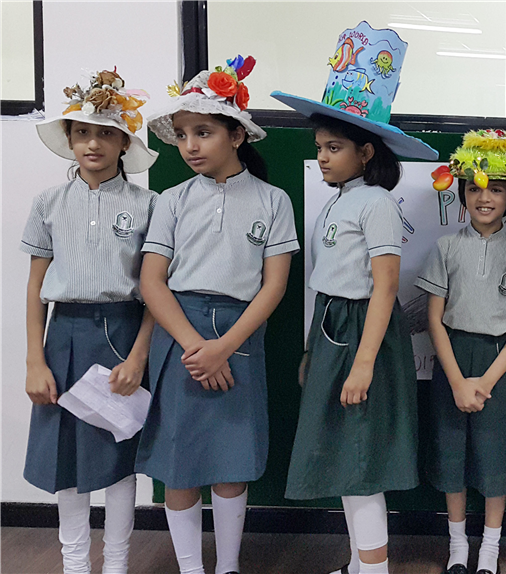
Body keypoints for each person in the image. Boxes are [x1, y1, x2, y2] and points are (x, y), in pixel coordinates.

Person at [271, 22, 438, 574]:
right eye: (320, 147)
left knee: (361, 456)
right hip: (333, 329)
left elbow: (385, 287)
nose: (322, 157)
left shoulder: (377, 204)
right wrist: (312, 350)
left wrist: (362, 363)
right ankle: (359, 562)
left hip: (364, 333)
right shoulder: (337, 201)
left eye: (335, 148)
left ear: (366, 152)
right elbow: (326, 285)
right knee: (346, 455)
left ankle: (375, 568)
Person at [136, 55, 300, 574]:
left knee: (233, 460)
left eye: (203, 132)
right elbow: (152, 282)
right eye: (183, 135)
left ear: (237, 135)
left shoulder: (274, 200)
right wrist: (196, 349)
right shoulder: (171, 200)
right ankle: (191, 568)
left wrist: (224, 347)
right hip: (178, 336)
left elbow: (274, 286)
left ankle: (228, 566)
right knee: (179, 463)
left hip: (241, 334)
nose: (190, 146)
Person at [22, 68, 158, 574]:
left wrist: (139, 356)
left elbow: (156, 292)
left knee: (118, 454)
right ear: (70, 140)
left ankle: (117, 563)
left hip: (123, 333)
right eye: (82, 132)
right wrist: (35, 360)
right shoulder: (48, 203)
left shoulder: (150, 205)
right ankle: (75, 563)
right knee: (67, 459)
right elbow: (36, 287)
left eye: (105, 133)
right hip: (63, 337)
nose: (93, 143)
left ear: (124, 143)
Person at [417, 129, 506, 574]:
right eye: (474, 189)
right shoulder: (446, 247)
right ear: (463, 193)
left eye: (497, 190)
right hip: (453, 358)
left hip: (502, 365)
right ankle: (457, 545)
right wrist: (456, 381)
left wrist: (485, 381)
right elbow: (434, 319)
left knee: (496, 456)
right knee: (451, 454)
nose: (484, 198)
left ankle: (489, 547)